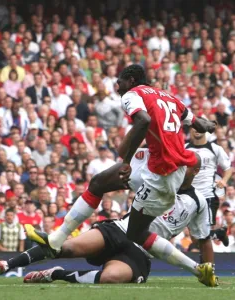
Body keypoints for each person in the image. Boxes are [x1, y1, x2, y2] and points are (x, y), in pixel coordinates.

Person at [22, 64, 217, 286]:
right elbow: (197, 122)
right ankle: (57, 238)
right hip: (166, 165)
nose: (117, 86)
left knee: (136, 233)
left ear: (131, 80)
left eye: (120, 82)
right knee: (97, 183)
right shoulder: (167, 96)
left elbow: (143, 120)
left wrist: (125, 161)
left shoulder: (132, 95)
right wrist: (209, 125)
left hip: (162, 172)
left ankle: (197, 269)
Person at [0, 155, 214, 285]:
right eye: (178, 164)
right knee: (63, 247)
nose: (178, 168)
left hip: (142, 253)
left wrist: (209, 269)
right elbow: (122, 178)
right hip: (120, 230)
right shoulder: (158, 181)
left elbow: (204, 239)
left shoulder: (199, 203)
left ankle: (55, 274)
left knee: (111, 279)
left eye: (185, 166)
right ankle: (7, 264)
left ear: (194, 172)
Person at [186, 128, 233, 231]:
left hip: (208, 195)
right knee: (192, 231)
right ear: (190, 130)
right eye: (194, 127)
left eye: (200, 126)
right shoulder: (185, 148)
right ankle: (218, 234)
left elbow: (229, 168)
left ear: (205, 129)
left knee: (206, 230)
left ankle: (214, 234)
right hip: (188, 195)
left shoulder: (215, 148)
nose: (197, 129)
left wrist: (224, 180)